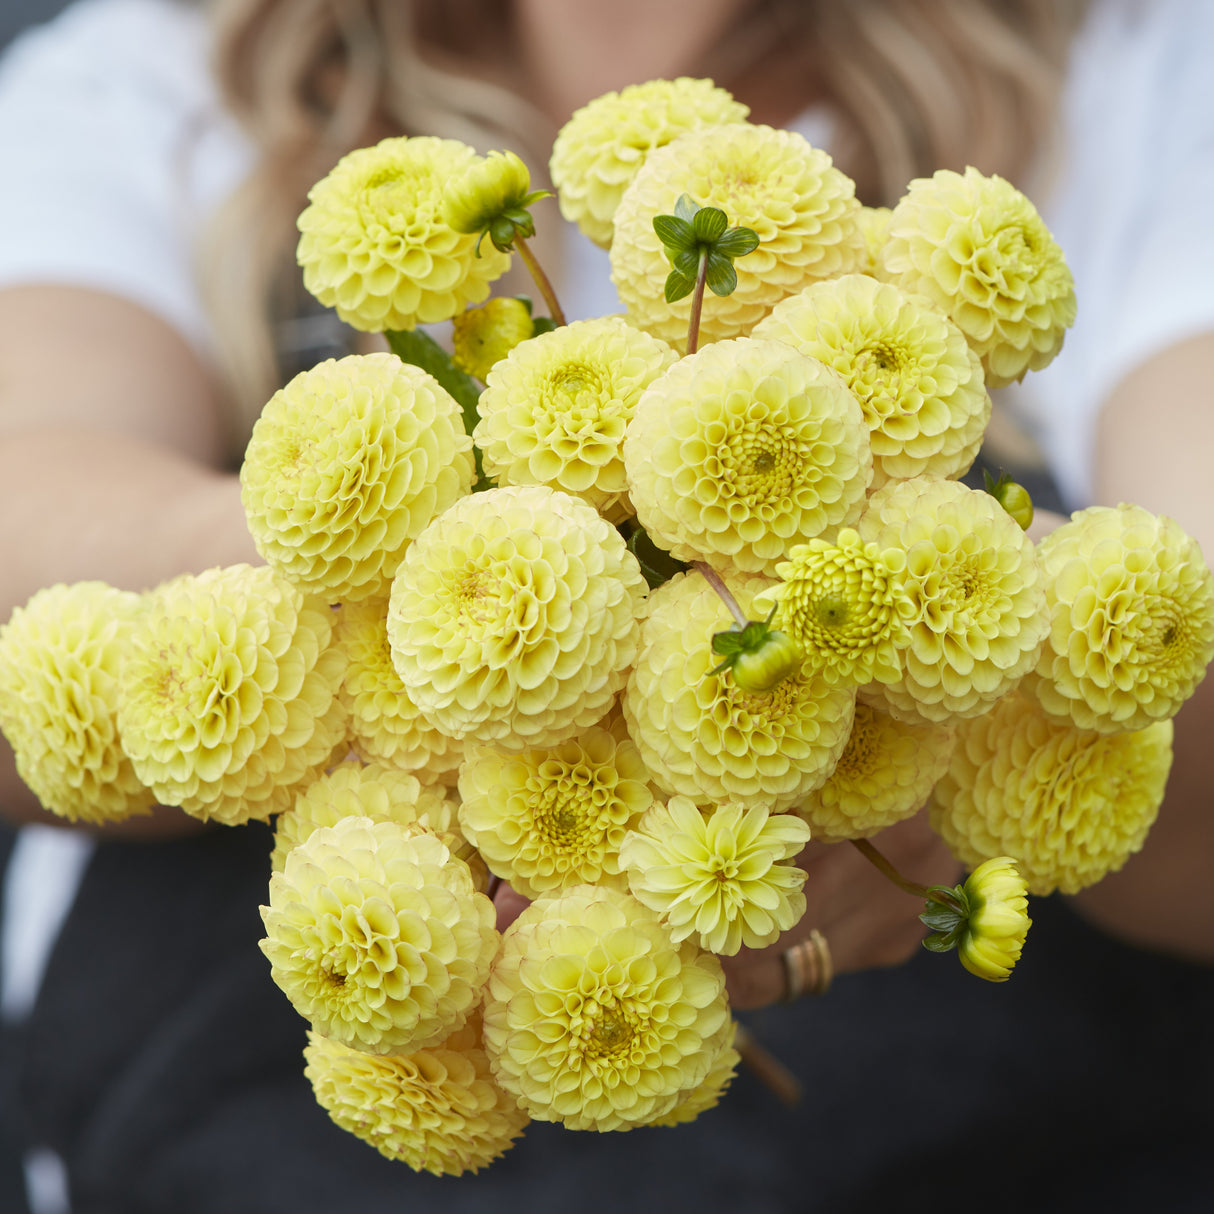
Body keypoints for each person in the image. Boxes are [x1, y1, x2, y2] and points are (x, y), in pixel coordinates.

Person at [0, 0, 1211, 1210]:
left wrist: (949, 697)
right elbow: (29, 519)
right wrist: (431, 573)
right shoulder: (169, 73)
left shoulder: (1131, 79)